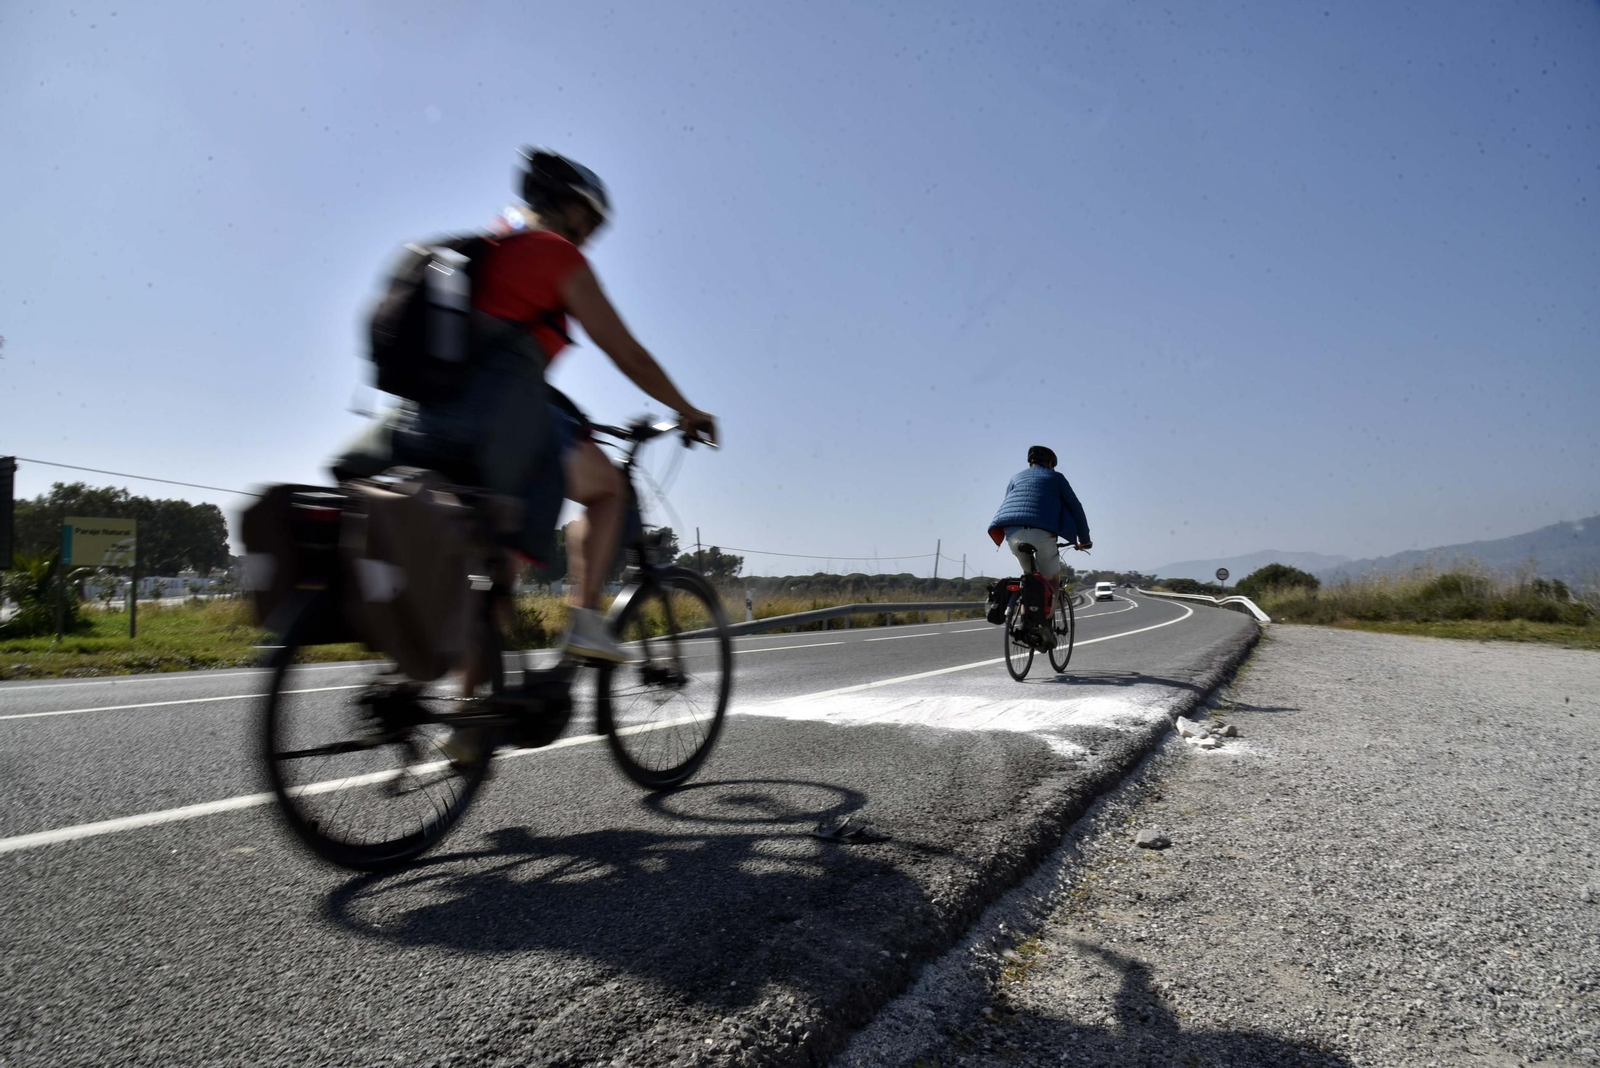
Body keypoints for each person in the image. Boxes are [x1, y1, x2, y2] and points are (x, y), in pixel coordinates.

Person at [337, 147, 716, 665]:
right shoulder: (556, 255)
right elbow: (626, 352)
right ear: (567, 207)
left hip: (426, 420)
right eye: (590, 218)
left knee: (495, 566)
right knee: (608, 492)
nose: (593, 233)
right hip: (495, 426)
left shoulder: (490, 246)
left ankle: (469, 713)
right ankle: (583, 623)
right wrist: (688, 410)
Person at [987, 445, 1092, 583]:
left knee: (1029, 581)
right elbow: (1075, 508)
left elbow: (1008, 505)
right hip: (1041, 534)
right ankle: (1050, 601)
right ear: (1050, 464)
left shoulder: (1015, 478)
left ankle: (1020, 602)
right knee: (1052, 580)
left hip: (1013, 534)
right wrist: (1084, 540)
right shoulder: (1056, 477)